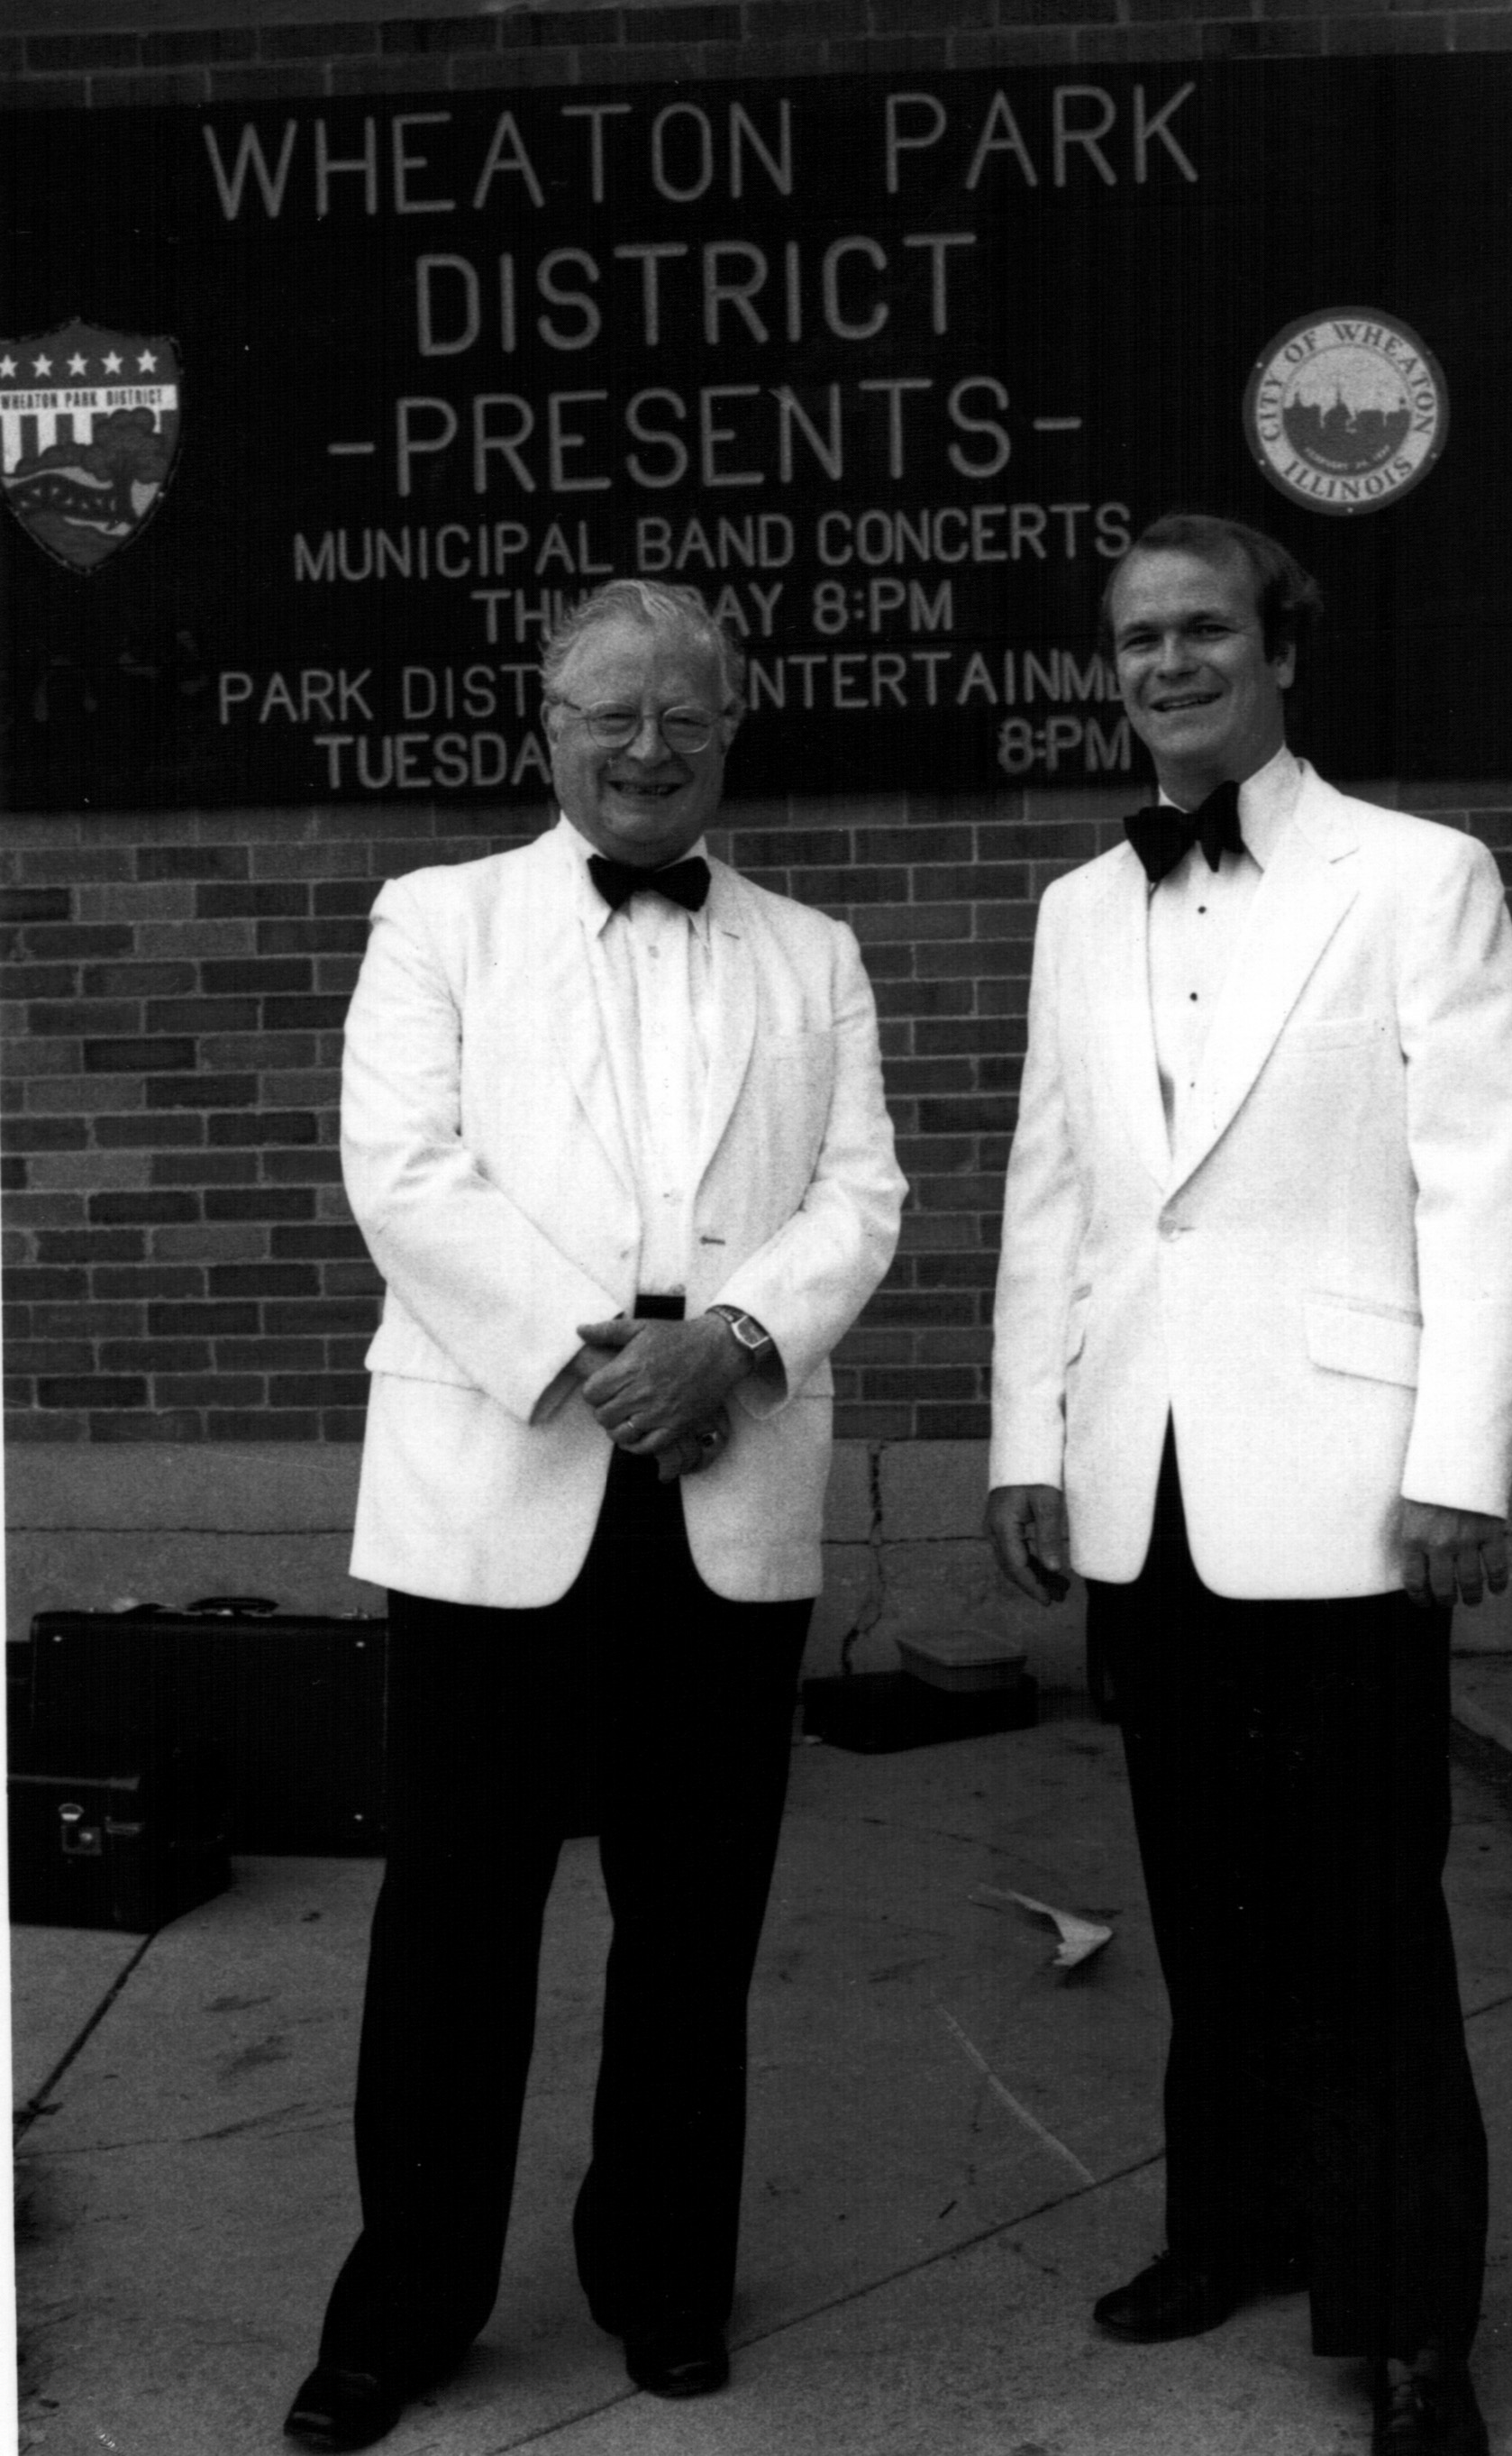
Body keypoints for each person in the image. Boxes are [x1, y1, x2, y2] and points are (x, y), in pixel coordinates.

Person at [285, 578, 906, 2451]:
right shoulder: (437, 920)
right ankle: (407, 2304)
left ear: (731, 729)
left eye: (684, 716)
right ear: (546, 727)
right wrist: (601, 1358)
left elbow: (861, 1194)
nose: (648, 748)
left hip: (726, 1470)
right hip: (505, 1470)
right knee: (454, 1921)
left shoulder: (815, 952)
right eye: (612, 715)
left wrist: (730, 1341)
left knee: (694, 1921)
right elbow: (403, 1170)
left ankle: (663, 2274)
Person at [985, 513, 1512, 2456]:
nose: (1167, 662)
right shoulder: (1079, 908)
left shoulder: (1417, 876)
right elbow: (1055, 1190)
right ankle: (1231, 2227)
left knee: (1368, 1922)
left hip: (1347, 1489)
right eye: (1137, 636)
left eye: (1203, 628)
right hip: (1142, 1481)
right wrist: (1029, 1438)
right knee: (1202, 1900)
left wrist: (1460, 1463)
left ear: (1280, 649)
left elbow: (1489, 1182)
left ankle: (1412, 2326)